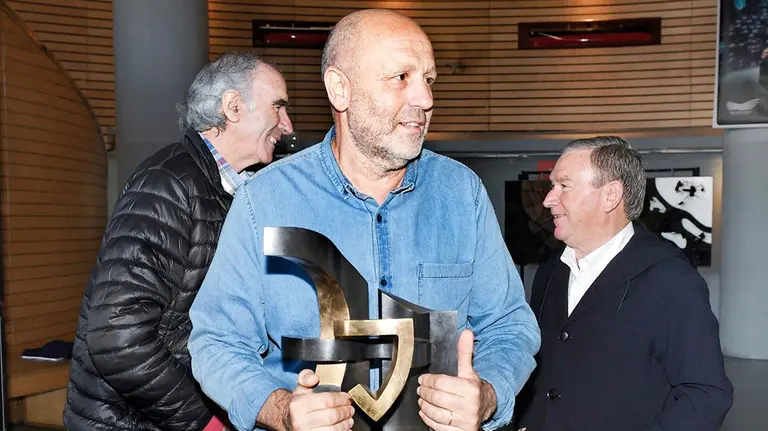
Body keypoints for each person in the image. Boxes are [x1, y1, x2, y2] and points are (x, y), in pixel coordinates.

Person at [188, 9, 540, 431]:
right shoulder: (264, 200)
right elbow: (216, 342)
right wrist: (280, 409)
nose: (425, 99)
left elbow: (510, 326)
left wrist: (488, 393)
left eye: (428, 80)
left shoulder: (461, 193)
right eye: (401, 78)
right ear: (340, 90)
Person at [63, 52, 293, 431]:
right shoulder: (169, 184)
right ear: (233, 107)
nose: (287, 124)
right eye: (278, 107)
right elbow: (117, 340)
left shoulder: (222, 190)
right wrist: (205, 423)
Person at [512, 136, 733, 431]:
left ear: (610, 195)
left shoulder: (671, 280)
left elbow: (705, 395)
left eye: (564, 185)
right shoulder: (551, 270)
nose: (549, 199)